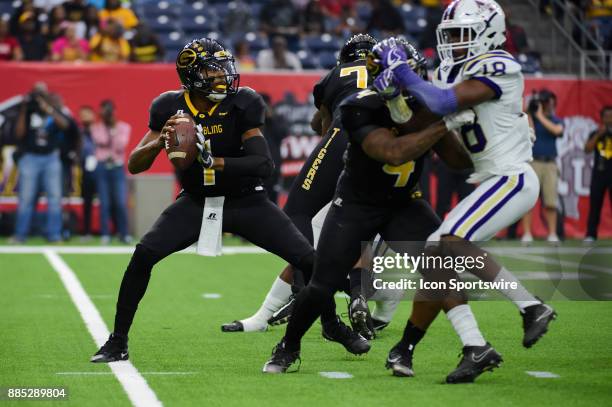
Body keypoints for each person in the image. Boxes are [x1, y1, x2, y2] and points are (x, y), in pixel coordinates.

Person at [90, 38, 353, 363]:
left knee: (308, 260)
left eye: (223, 68)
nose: (222, 76)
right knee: (143, 255)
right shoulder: (169, 107)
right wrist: (159, 141)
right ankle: (118, 341)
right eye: (212, 70)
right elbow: (135, 164)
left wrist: (215, 162)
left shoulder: (243, 102)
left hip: (246, 201)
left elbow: (263, 164)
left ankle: (331, 323)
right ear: (191, 75)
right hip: (196, 201)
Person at [261, 38, 482, 381]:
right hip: (356, 205)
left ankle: (420, 347)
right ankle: (288, 346)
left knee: (442, 269)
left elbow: (457, 162)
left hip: (404, 203)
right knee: (321, 285)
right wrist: (441, 125)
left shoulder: (424, 109)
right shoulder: (358, 105)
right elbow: (392, 152)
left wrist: (445, 122)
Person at [363, 0, 556, 380]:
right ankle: (460, 346)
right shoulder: (455, 70)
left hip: (511, 176)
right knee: (436, 256)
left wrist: (401, 70)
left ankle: (531, 306)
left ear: (489, 32)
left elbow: (441, 100)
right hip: (489, 178)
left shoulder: (500, 64)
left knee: (447, 242)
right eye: (449, 34)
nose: (454, 42)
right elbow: (455, 159)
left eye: (461, 34)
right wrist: (395, 103)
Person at [222, 34, 386, 336]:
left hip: (346, 137)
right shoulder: (390, 72)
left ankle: (301, 288)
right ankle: (368, 304)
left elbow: (323, 128)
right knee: (365, 235)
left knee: (299, 213)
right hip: (387, 152)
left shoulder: (336, 75)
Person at [11, 83, 69, 243]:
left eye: (42, 94)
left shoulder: (52, 108)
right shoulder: (28, 110)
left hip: (51, 157)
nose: (39, 97)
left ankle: (54, 235)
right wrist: (24, 108)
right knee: (26, 198)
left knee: (55, 198)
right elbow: (18, 134)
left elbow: (65, 125)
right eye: (36, 94)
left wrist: (48, 108)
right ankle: (20, 234)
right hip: (30, 157)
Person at [521, 89, 564, 244]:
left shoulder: (556, 120)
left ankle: (552, 234)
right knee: (528, 201)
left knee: (551, 201)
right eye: (546, 101)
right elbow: (525, 126)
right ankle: (527, 233)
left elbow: (557, 131)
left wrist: (540, 115)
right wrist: (531, 111)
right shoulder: (533, 118)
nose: (548, 105)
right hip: (533, 162)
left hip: (550, 164)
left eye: (550, 102)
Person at [90, 99, 131, 244]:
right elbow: (101, 141)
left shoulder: (124, 127)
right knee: (105, 202)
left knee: (120, 202)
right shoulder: (96, 127)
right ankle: (105, 234)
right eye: (103, 110)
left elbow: (121, 145)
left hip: (117, 167)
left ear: (114, 111)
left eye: (109, 110)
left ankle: (124, 233)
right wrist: (108, 129)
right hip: (102, 167)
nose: (106, 113)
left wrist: (113, 128)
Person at [584, 106, 612, 242]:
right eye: (606, 116)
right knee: (595, 205)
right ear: (601, 118)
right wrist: (599, 135)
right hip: (599, 173)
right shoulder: (596, 132)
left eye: (611, 116)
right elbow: (587, 149)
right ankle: (591, 234)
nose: (609, 119)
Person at [78, 105, 97, 238]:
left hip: (101, 168)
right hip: (86, 169)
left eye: (87, 114)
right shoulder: (79, 132)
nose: (84, 117)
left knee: (109, 200)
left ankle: (114, 231)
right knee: (87, 201)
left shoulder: (99, 130)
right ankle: (87, 231)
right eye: (82, 115)